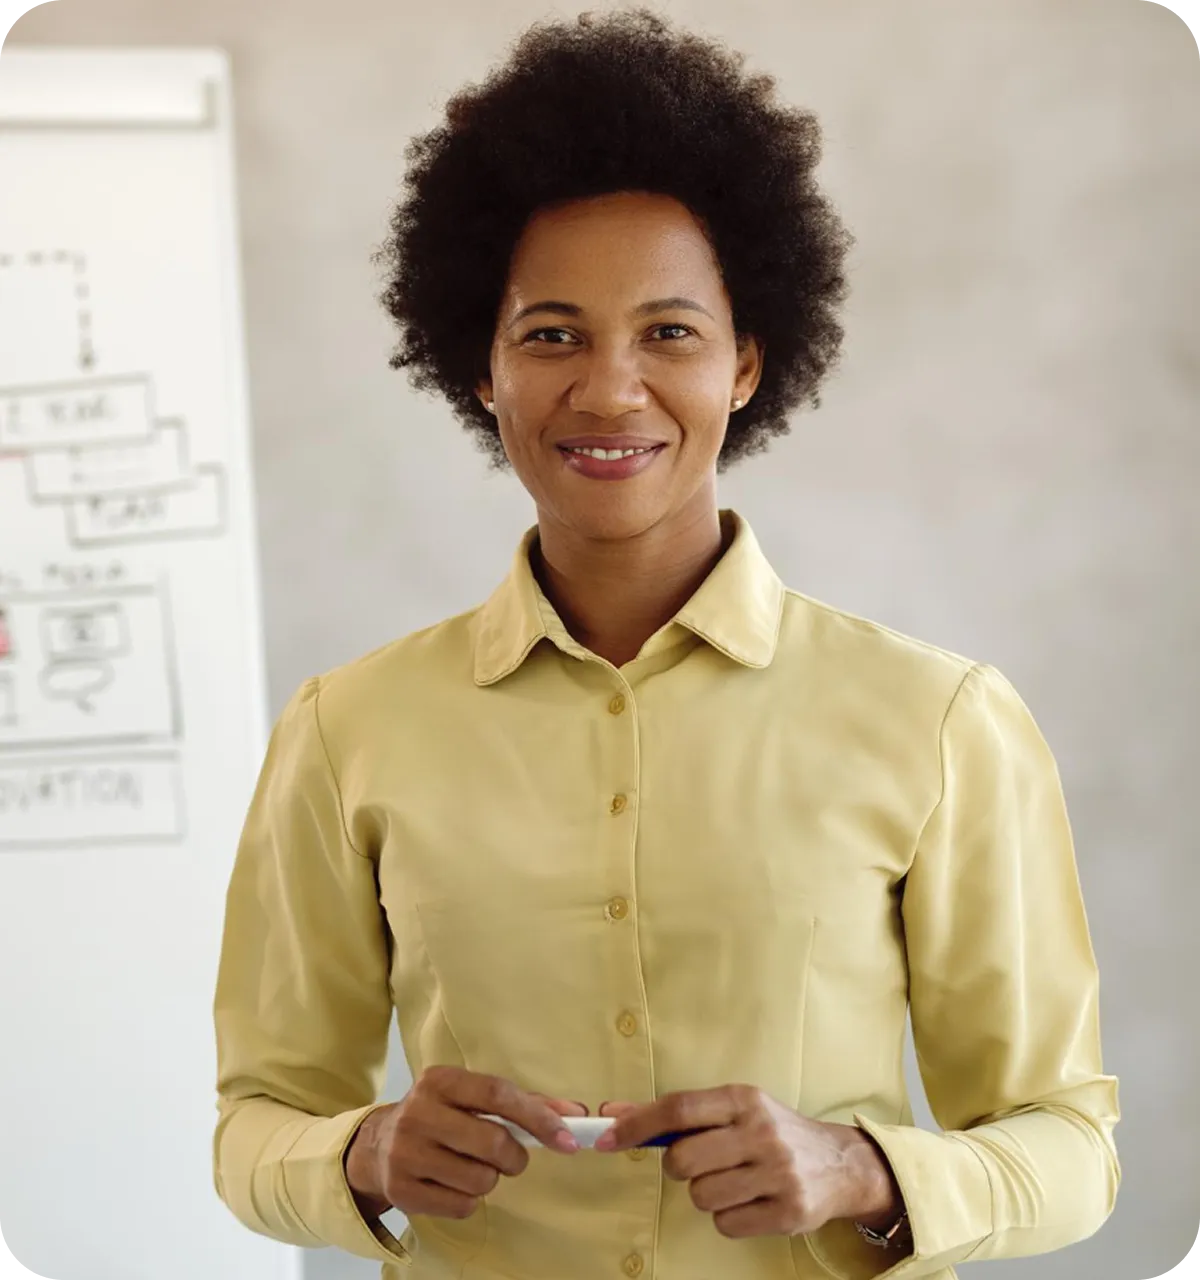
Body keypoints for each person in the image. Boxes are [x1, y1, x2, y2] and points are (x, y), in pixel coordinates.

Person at [212, 10, 1120, 1279]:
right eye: (552, 333)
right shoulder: (347, 730)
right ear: (481, 368)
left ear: (748, 362)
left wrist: (861, 1168)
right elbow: (256, 1116)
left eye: (670, 332)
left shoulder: (940, 719)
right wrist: (358, 1153)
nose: (610, 388)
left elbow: (1070, 1142)